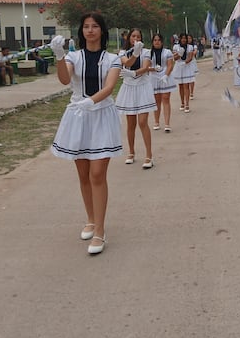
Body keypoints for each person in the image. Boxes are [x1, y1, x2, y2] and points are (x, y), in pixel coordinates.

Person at [49, 13, 122, 255]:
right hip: (78, 117)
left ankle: (100, 231)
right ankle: (90, 219)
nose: (90, 30)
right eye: (86, 27)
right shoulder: (73, 57)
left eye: (95, 26)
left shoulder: (113, 59)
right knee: (82, 174)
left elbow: (110, 87)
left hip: (101, 114)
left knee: (98, 173)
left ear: (102, 30)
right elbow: (64, 79)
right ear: (81, 31)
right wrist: (59, 56)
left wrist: (91, 102)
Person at [115, 28, 156, 169]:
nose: (136, 39)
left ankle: (149, 155)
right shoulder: (123, 52)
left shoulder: (147, 52)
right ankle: (131, 152)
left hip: (142, 87)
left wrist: (133, 73)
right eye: (133, 36)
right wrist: (134, 54)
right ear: (129, 38)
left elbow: (145, 68)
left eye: (138, 36)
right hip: (129, 88)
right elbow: (127, 63)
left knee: (143, 122)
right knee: (130, 123)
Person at [149, 33, 175, 132]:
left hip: (165, 75)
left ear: (162, 41)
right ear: (152, 42)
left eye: (159, 40)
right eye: (155, 40)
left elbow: (170, 65)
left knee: (166, 98)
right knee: (156, 100)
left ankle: (167, 123)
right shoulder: (149, 53)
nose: (157, 42)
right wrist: (153, 68)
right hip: (154, 76)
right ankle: (156, 121)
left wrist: (166, 75)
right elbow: (146, 66)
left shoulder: (167, 52)